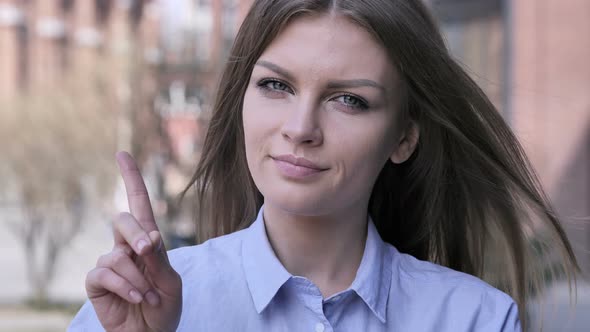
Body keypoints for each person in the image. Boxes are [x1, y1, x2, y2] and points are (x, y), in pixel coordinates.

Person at [68, 0, 579, 331]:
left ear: (403, 137)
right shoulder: (130, 307)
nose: (301, 126)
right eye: (276, 85)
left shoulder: (474, 319)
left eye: (348, 100)